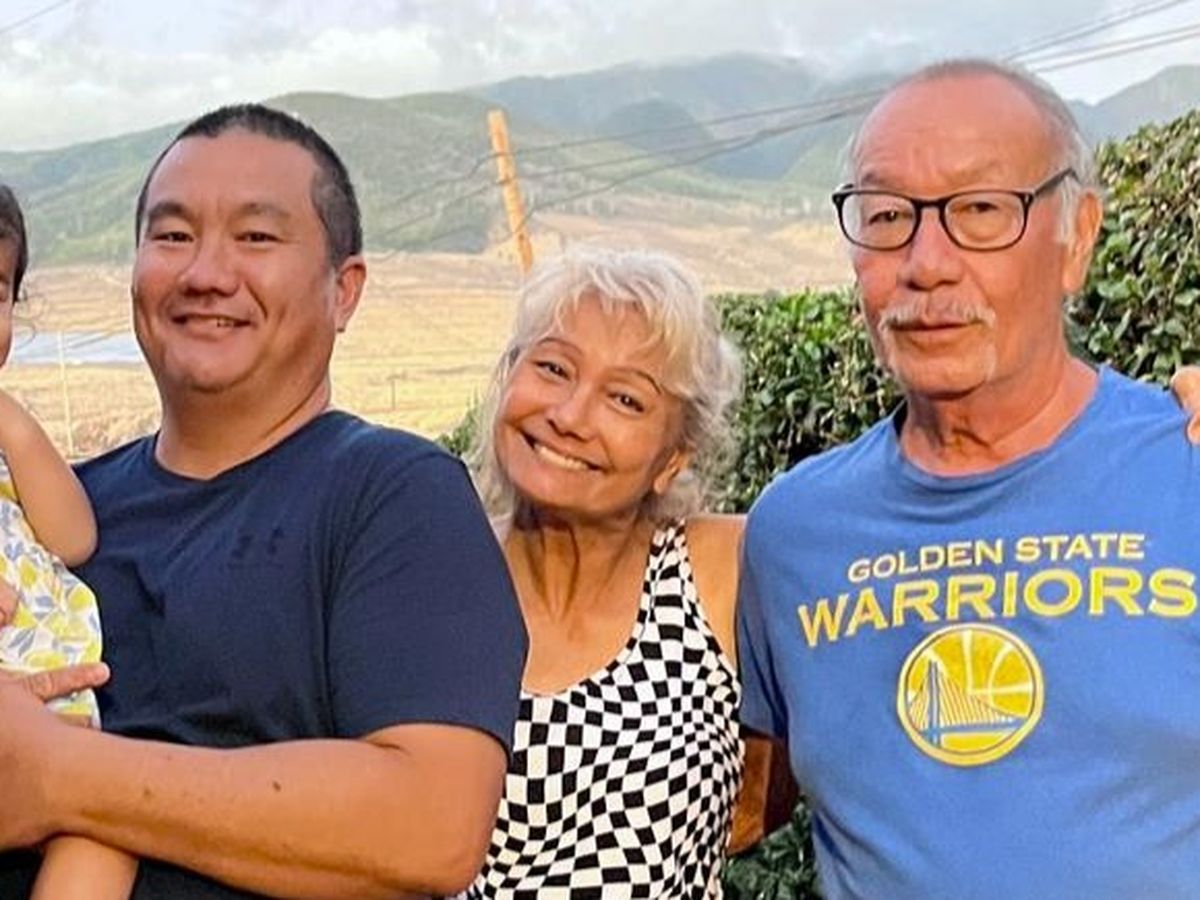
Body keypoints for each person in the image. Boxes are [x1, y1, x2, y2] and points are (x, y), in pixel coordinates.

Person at [0, 104, 527, 899]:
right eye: (172, 235)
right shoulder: (51, 515)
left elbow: (432, 823)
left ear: (344, 290)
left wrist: (57, 772)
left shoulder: (393, 496)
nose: (206, 272)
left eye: (255, 237)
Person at [737, 57, 1200, 899]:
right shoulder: (793, 532)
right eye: (886, 216)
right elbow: (724, 793)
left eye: (981, 210)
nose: (927, 263)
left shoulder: (1187, 467)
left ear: (1077, 236)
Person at [454, 249, 786, 898]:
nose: (570, 417)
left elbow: (781, 779)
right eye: (553, 368)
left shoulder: (724, 572)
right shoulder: (431, 576)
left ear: (674, 458)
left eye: (626, 399)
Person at [0, 186, 137, 898]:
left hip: (54, 720)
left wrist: (13, 425)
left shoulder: (9, 442)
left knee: (108, 827)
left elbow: (74, 538)